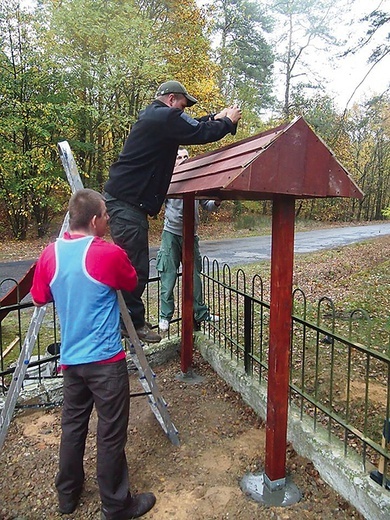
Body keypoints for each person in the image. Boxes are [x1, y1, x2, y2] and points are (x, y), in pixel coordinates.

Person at [30, 189, 156, 520]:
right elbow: (130, 280)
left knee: (73, 428)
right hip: (105, 362)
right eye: (106, 215)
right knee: (110, 432)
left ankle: (67, 497)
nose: (110, 219)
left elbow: (40, 297)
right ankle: (116, 505)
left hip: (72, 362)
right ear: (94, 220)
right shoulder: (106, 253)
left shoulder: (50, 254)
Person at [104, 80, 242, 344]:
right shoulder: (163, 117)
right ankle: (128, 322)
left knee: (134, 266)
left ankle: (127, 319)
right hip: (126, 204)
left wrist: (216, 117)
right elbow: (199, 132)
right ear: (170, 99)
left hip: (126, 201)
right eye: (182, 105)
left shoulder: (159, 118)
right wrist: (227, 122)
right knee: (136, 268)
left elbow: (194, 125)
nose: (183, 110)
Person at [157, 148, 220, 332]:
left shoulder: (198, 179)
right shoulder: (168, 179)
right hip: (171, 234)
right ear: (173, 161)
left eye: (185, 157)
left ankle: (200, 313)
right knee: (168, 276)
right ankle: (165, 316)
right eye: (179, 157)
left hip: (191, 235)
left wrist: (216, 202)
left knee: (194, 277)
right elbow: (157, 202)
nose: (183, 160)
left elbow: (206, 204)